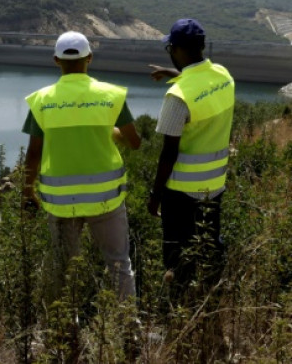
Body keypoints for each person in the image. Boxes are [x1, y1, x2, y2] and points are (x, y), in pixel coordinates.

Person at [22, 31, 142, 302]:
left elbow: (33, 153)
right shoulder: (111, 95)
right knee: (118, 263)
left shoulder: (42, 100)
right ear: (90, 58)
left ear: (56, 60)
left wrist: (27, 192)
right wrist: (112, 133)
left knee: (64, 268)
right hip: (106, 198)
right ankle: (127, 324)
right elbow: (134, 142)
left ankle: (65, 325)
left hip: (61, 203)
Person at [147, 18, 234, 297]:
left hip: (181, 192)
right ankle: (213, 296)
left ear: (176, 49)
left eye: (170, 49)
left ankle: (177, 304)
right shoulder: (223, 75)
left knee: (176, 253)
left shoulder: (177, 97)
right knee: (209, 243)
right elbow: (200, 84)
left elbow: (168, 152)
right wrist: (173, 73)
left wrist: (155, 195)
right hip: (215, 184)